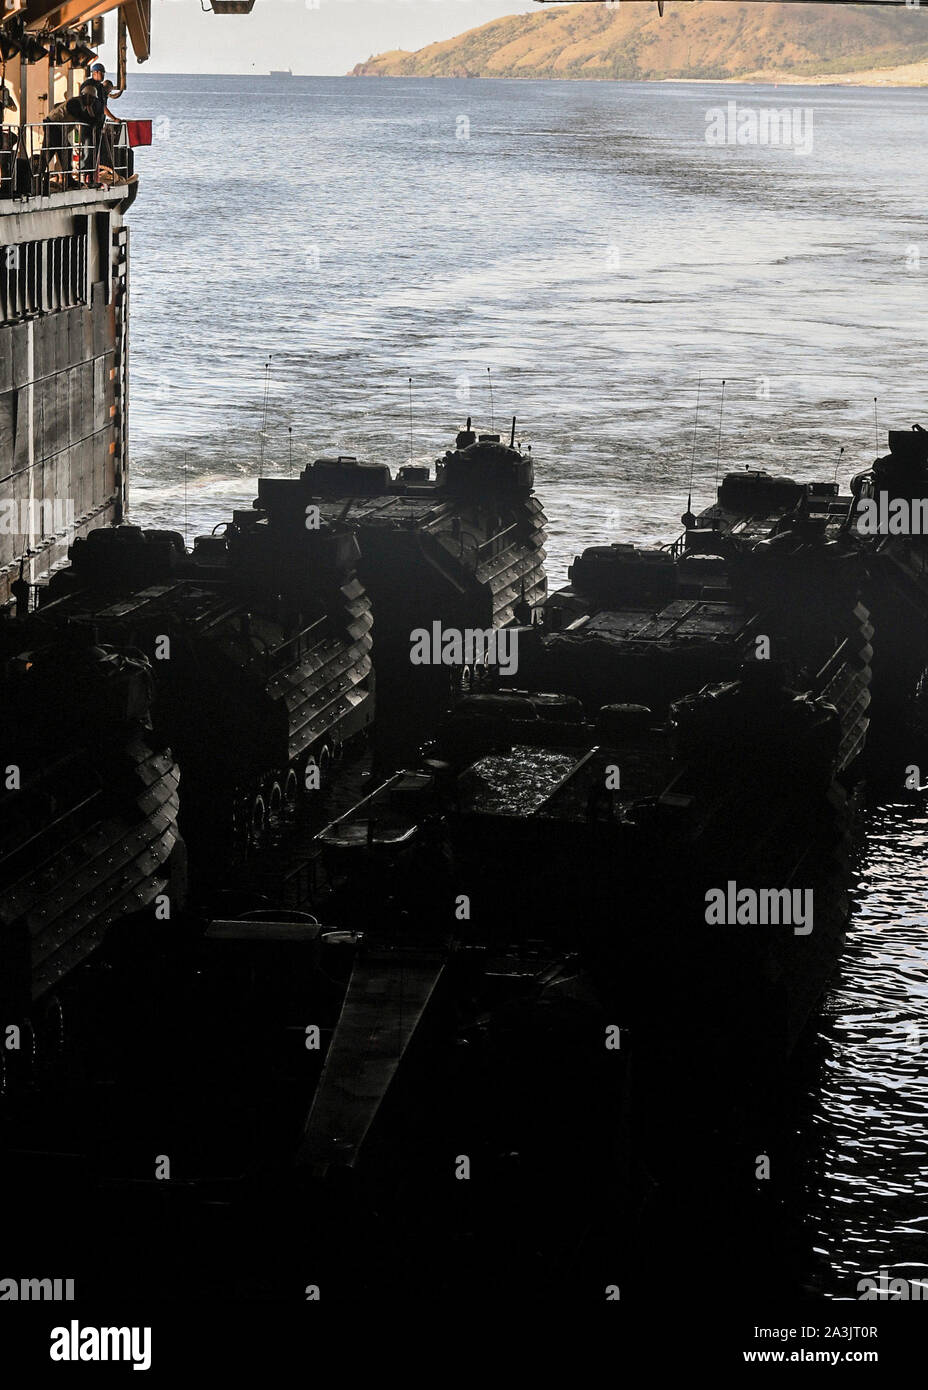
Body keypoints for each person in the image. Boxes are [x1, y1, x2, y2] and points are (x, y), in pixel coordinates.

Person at [43, 90, 98, 188]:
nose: (93, 101)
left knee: (49, 153)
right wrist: (91, 113)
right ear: (85, 96)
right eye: (92, 98)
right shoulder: (75, 103)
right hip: (53, 126)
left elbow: (89, 119)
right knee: (65, 150)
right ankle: (68, 179)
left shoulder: (82, 104)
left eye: (94, 99)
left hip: (55, 127)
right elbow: (84, 118)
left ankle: (38, 175)